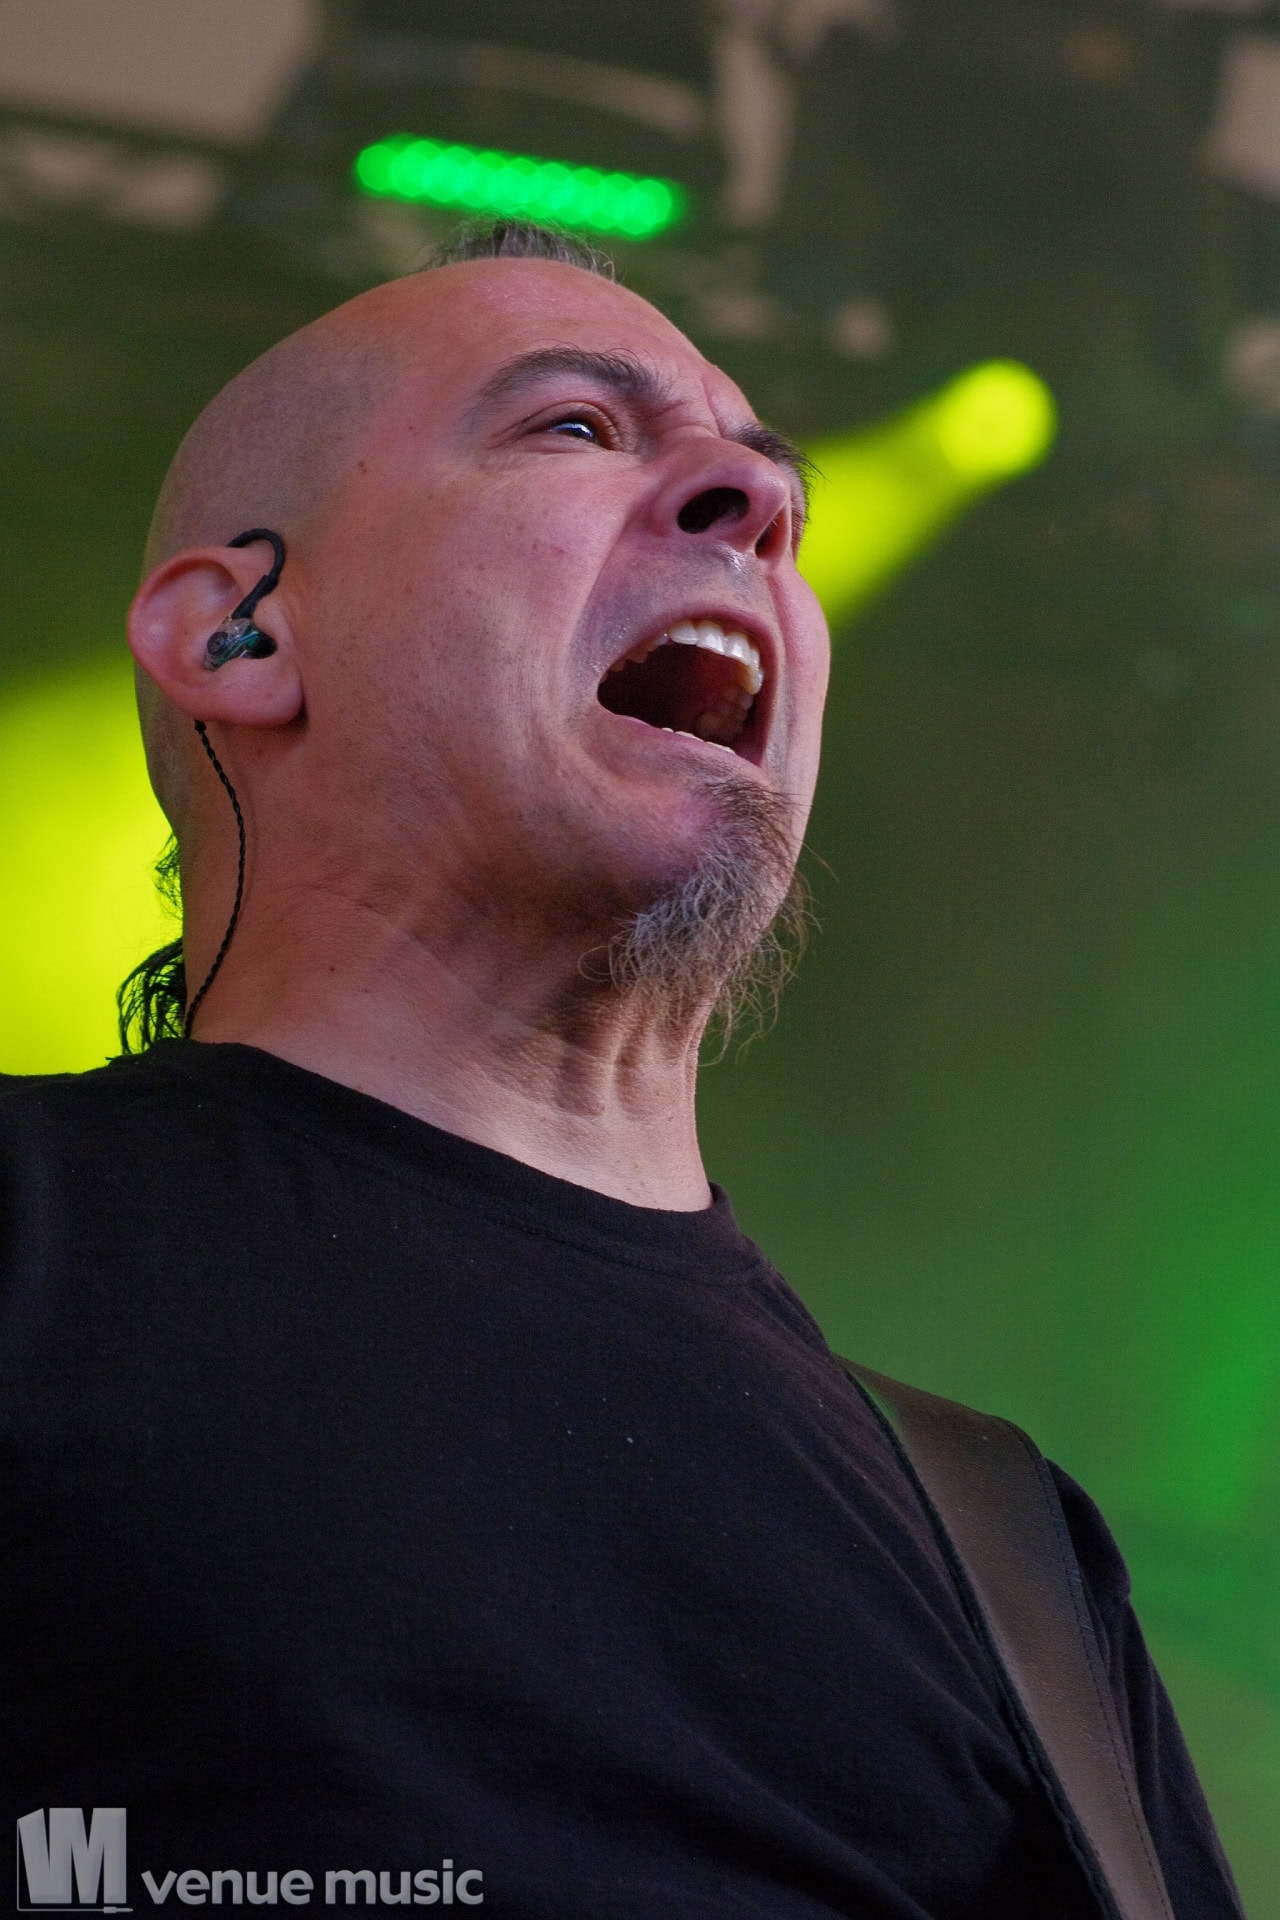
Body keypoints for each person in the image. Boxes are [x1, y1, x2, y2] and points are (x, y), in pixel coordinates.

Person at [1, 224, 1242, 1918]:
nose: (760, 500)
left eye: (769, 476)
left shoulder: (1004, 1543)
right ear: (240, 634)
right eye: (576, 425)